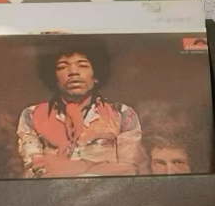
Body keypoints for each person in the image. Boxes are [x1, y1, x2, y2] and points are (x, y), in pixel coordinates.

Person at [15, 43, 143, 177]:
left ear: (96, 74)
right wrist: (101, 167)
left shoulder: (123, 114)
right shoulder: (32, 115)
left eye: (82, 65)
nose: (73, 72)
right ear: (53, 77)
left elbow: (129, 171)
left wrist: (80, 166)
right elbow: (34, 172)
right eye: (63, 67)